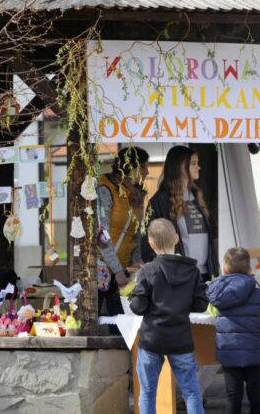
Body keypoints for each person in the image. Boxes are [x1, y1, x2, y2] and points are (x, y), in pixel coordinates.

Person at [130, 218, 208, 414]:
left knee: (148, 392)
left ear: (151, 244)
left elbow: (137, 307)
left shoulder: (147, 271)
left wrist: (138, 296)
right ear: (176, 239)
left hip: (152, 338)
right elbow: (201, 304)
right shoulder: (192, 270)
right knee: (191, 392)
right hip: (181, 338)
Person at [141, 145, 219, 282]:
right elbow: (148, 241)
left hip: (204, 275)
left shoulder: (198, 196)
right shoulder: (160, 201)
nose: (198, 167)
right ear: (180, 166)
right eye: (193, 163)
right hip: (177, 277)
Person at [207, 247, 260, 414]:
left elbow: (212, 313)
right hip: (254, 350)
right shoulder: (258, 293)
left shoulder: (217, 293)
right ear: (249, 269)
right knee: (256, 393)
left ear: (225, 268)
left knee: (233, 395)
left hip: (229, 350)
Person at [96, 146, 149, 320]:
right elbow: (101, 234)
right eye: (143, 167)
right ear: (130, 167)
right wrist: (117, 270)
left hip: (124, 270)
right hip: (103, 269)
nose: (147, 172)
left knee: (123, 322)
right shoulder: (106, 190)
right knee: (97, 319)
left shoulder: (136, 194)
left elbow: (136, 234)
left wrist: (135, 263)